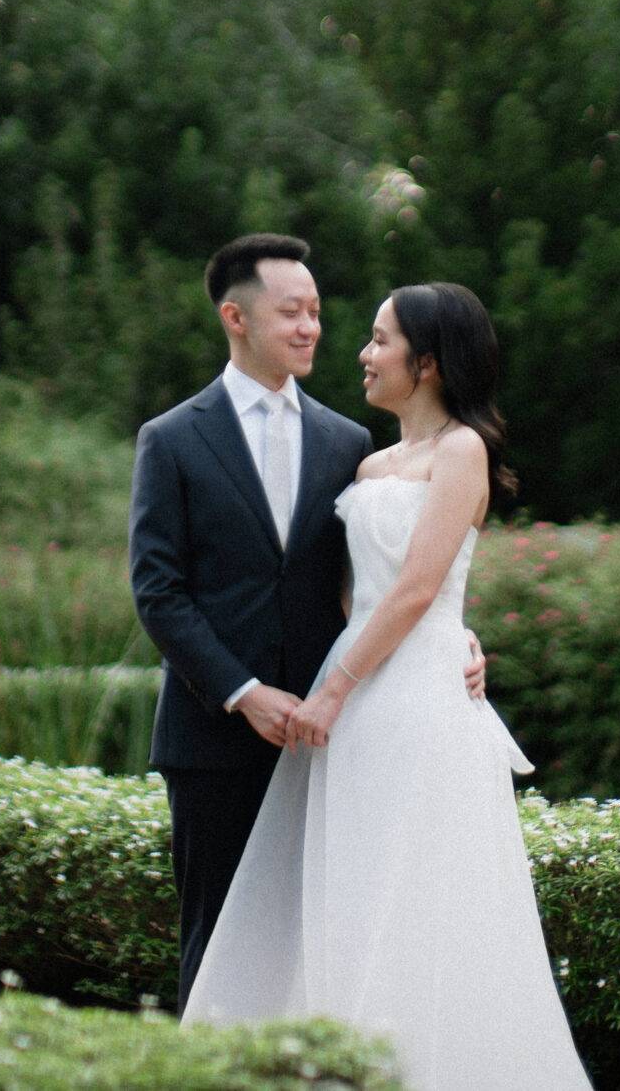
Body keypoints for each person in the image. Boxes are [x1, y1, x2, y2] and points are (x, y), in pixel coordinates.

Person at [181, 281, 590, 1090]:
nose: (363, 356)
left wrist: (353, 681)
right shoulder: (370, 462)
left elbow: (416, 589)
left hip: (415, 703)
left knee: (422, 892)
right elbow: (352, 590)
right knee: (353, 885)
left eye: (380, 341)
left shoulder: (463, 450)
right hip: (362, 695)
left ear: (428, 362)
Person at [128, 235, 489, 1013]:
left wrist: (454, 633)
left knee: (334, 938)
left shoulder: (349, 442)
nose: (312, 329)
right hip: (216, 736)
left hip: (341, 733)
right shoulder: (172, 438)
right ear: (236, 317)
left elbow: (376, 581)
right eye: (292, 311)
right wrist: (243, 692)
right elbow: (158, 592)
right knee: (220, 942)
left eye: (318, 313)